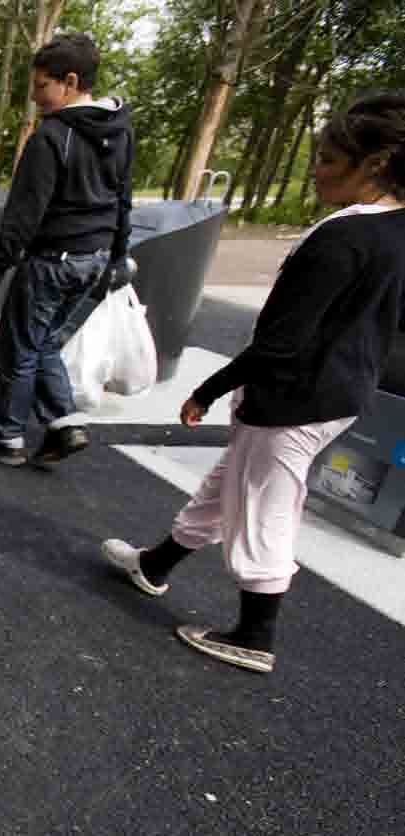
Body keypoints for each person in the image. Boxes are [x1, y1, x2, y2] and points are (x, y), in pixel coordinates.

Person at [101, 91, 405, 674]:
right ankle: (156, 564)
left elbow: (281, 343)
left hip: (296, 393)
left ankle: (255, 633)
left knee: (265, 504)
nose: (315, 170)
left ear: (375, 164)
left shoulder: (342, 239)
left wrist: (208, 389)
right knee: (229, 483)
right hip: (341, 390)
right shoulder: (396, 228)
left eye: (328, 159)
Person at [0, 33, 134, 467]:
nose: (36, 98)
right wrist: (116, 257)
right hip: (94, 260)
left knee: (19, 350)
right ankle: (65, 424)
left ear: (69, 81)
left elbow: (24, 214)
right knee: (44, 345)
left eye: (41, 87)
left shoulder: (51, 137)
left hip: (52, 261)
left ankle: (7, 440)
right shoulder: (120, 130)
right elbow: (124, 198)